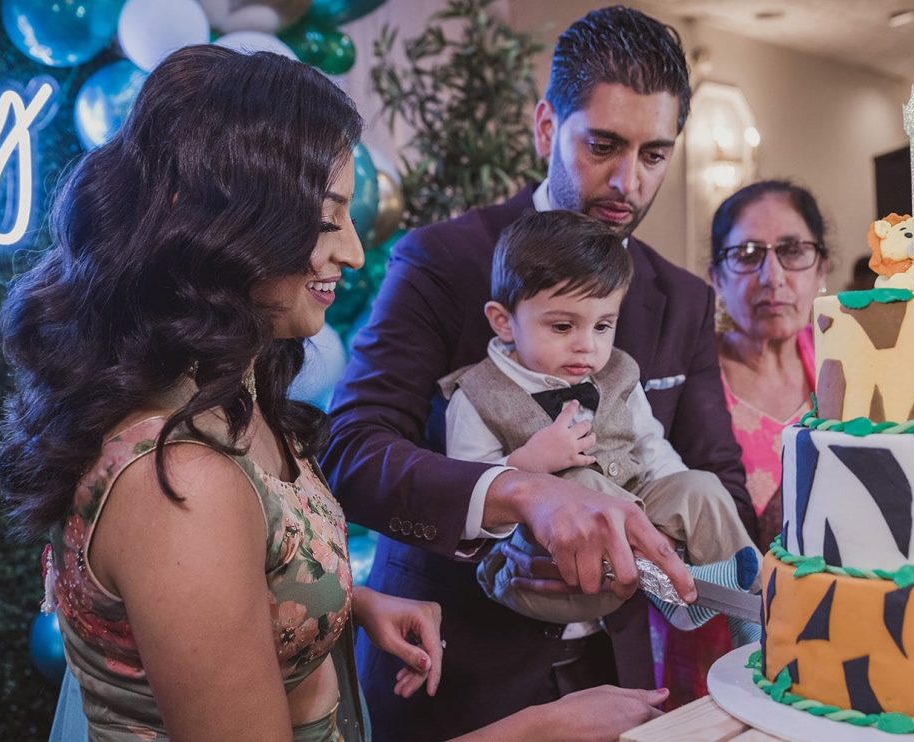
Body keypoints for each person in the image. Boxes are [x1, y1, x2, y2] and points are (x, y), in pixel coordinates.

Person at [0, 46, 666, 742]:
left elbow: (240, 587)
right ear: (228, 223)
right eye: (326, 220)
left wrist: (345, 605)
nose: (349, 251)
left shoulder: (232, 401)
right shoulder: (180, 481)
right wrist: (537, 731)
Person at [321, 6, 753, 739]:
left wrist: (644, 564)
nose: (627, 180)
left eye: (653, 155)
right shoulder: (442, 261)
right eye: (604, 145)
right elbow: (353, 449)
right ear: (547, 128)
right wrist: (513, 496)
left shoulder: (681, 300)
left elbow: (716, 476)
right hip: (450, 674)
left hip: (613, 677)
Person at [439, 210, 757, 624]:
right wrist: (529, 463)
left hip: (628, 551)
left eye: (603, 325)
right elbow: (469, 497)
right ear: (504, 322)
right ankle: (681, 586)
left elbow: (650, 446)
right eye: (563, 327)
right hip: (538, 570)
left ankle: (751, 608)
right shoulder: (477, 395)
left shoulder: (618, 372)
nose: (586, 347)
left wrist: (680, 502)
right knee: (580, 485)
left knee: (702, 486)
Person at [652, 180, 830, 708]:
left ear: (822, 269)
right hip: (707, 643)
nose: (771, 277)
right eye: (746, 254)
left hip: (827, 638)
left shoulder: (851, 374)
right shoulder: (686, 380)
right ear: (715, 277)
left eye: (793, 251)